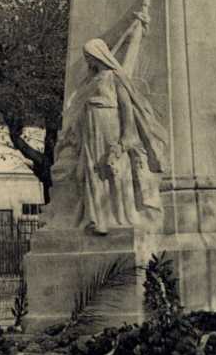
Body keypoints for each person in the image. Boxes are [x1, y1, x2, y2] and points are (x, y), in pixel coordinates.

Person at [53, 39, 168, 235]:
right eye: (86, 57)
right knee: (91, 169)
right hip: (90, 129)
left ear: (100, 55)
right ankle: (95, 217)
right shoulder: (90, 81)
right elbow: (79, 107)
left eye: (90, 56)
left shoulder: (115, 77)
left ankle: (119, 215)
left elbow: (125, 108)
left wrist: (126, 136)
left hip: (109, 126)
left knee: (113, 168)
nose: (88, 60)